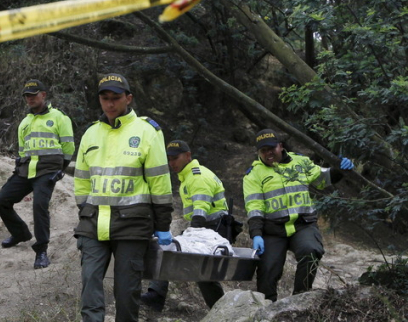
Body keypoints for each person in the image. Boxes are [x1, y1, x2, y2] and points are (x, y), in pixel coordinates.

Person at [73, 73, 174, 322]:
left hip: (132, 225)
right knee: (90, 285)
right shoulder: (91, 134)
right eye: (105, 98)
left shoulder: (147, 132)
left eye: (116, 98)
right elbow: (82, 180)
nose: (110, 104)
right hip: (94, 223)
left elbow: (159, 182)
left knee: (127, 291)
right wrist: (84, 209)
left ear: (128, 98)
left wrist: (163, 225)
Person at [243, 128, 355, 301]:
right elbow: (254, 207)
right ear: (258, 152)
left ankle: (300, 299)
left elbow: (322, 179)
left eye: (271, 148)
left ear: (280, 146)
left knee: (311, 251)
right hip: (273, 230)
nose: (268, 153)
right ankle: (266, 310)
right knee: (267, 270)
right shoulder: (253, 174)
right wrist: (256, 234)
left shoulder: (300, 162)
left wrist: (340, 168)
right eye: (263, 150)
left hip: (303, 224)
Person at [141, 140, 235, 311]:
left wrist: (193, 234)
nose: (171, 163)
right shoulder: (189, 176)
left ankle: (157, 295)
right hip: (209, 228)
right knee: (201, 273)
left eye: (175, 158)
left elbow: (200, 210)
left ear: (188, 156)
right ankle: (220, 310)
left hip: (211, 229)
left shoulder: (197, 176)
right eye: (169, 159)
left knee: (174, 255)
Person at [0, 79, 74, 269]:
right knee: (1, 201)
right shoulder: (25, 122)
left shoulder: (59, 117)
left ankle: (41, 251)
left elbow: (68, 146)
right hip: (26, 169)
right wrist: (18, 169)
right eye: (27, 96)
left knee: (39, 206)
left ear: (43, 95)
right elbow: (23, 151)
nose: (30, 98)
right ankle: (20, 233)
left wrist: (61, 169)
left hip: (48, 170)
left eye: (33, 94)